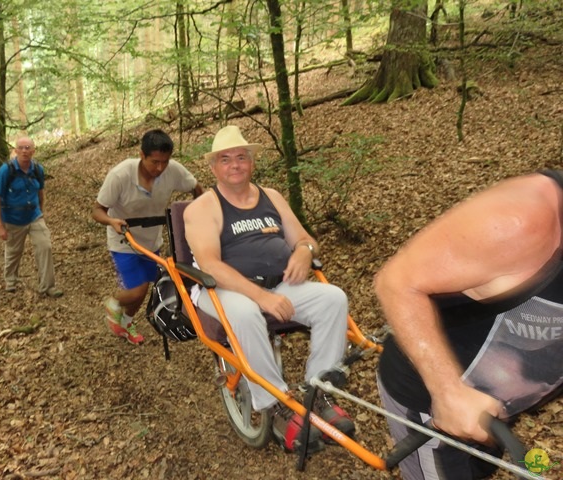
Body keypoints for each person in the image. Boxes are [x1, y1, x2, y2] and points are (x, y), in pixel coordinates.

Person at [375, 170, 563, 479]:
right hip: (433, 401)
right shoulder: (523, 218)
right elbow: (396, 282)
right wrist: (448, 393)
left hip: (497, 407)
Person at [184, 125, 355, 453]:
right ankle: (274, 405)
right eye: (226, 159)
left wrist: (304, 252)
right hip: (221, 292)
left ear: (252, 162)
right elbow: (210, 266)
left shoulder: (271, 197)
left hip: (279, 285)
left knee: (333, 298)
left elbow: (305, 240)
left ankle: (318, 394)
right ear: (213, 167)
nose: (235, 164)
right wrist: (261, 296)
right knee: (247, 312)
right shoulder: (203, 207)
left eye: (241, 157)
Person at [92, 129, 203, 345]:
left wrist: (203, 211)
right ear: (142, 155)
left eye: (165, 162)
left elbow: (196, 189)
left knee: (144, 290)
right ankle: (113, 301)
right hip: (123, 240)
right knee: (137, 289)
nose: (160, 168)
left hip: (152, 240)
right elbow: (97, 211)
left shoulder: (173, 171)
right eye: (154, 162)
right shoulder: (120, 175)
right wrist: (112, 221)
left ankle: (126, 322)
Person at [0, 137, 63, 298]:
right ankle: (11, 281)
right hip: (13, 218)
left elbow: (41, 192)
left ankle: (48, 286)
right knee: (14, 251)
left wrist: (41, 212)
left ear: (33, 151)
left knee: (45, 246)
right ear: (15, 151)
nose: (24, 150)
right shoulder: (6, 171)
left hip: (34, 216)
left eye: (28, 147)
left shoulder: (38, 169)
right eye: (21, 148)